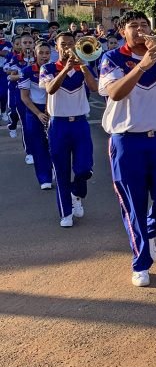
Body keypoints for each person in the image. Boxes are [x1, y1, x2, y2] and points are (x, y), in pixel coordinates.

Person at [98, 11, 156, 286]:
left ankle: (145, 236)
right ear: (122, 31)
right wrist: (142, 66)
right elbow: (115, 93)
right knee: (133, 205)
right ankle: (141, 263)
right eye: (133, 26)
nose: (140, 30)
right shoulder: (112, 58)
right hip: (126, 140)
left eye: (145, 25)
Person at [40, 32, 98, 227]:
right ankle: (65, 213)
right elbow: (50, 89)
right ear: (57, 48)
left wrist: (82, 66)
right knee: (62, 170)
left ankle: (77, 193)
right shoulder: (47, 68)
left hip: (80, 123)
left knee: (84, 168)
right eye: (63, 45)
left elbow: (95, 87)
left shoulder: (83, 67)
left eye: (71, 44)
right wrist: (65, 69)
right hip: (58, 125)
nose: (67, 47)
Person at [18, 42, 53, 189]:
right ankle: (44, 178)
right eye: (41, 53)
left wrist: (49, 110)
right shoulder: (27, 71)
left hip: (52, 109)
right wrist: (38, 113)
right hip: (34, 111)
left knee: (54, 144)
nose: (44, 56)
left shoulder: (54, 69)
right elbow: (24, 97)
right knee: (38, 145)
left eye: (47, 53)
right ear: (35, 54)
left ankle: (54, 169)